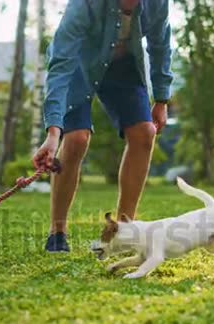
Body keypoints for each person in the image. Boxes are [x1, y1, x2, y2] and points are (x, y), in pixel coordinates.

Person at [32, 0, 174, 253]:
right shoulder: (85, 4)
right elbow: (61, 65)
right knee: (76, 139)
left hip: (124, 68)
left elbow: (160, 45)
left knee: (144, 133)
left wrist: (161, 98)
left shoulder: (157, 3)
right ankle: (58, 232)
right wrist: (54, 132)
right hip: (78, 66)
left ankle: (124, 231)